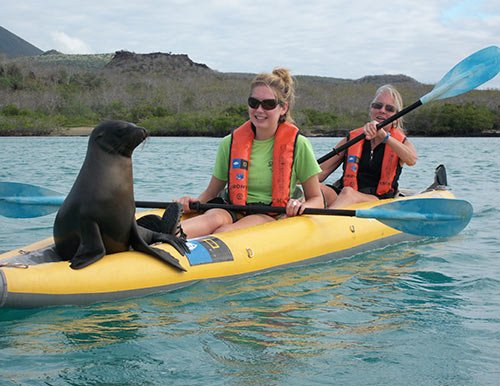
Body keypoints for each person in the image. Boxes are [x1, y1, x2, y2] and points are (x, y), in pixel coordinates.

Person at [168, 68, 324, 239]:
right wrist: (192, 203)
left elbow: (317, 199)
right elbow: (211, 193)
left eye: (268, 104)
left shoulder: (299, 145)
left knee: (223, 232)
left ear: (283, 108)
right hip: (232, 208)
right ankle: (166, 234)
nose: (259, 110)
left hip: (269, 214)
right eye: (254, 102)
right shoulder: (229, 143)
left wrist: (298, 205)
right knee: (212, 218)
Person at [319, 84, 418, 209]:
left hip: (377, 199)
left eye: (389, 109)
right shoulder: (353, 138)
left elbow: (412, 160)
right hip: (343, 194)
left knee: (349, 193)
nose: (382, 110)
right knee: (316, 189)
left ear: (396, 118)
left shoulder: (401, 143)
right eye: (377, 106)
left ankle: (325, 221)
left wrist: (385, 138)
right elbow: (321, 173)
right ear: (371, 110)